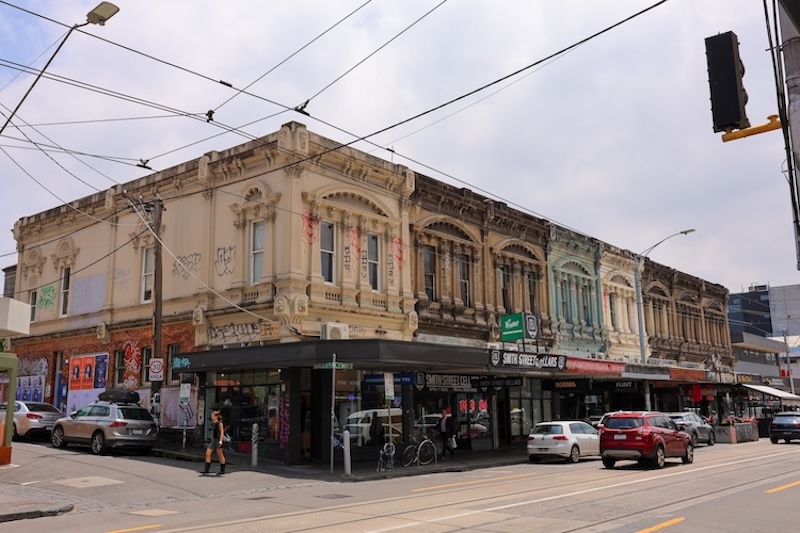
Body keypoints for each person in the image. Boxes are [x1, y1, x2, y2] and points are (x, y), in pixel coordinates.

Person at [202, 409, 226, 475]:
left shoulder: (219, 423)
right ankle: (207, 470)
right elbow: (212, 432)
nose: (212, 417)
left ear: (216, 417)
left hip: (218, 440)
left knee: (220, 454)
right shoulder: (212, 424)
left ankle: (222, 469)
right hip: (213, 440)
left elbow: (222, 432)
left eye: (213, 416)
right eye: (211, 415)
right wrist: (210, 438)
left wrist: (221, 440)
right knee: (207, 453)